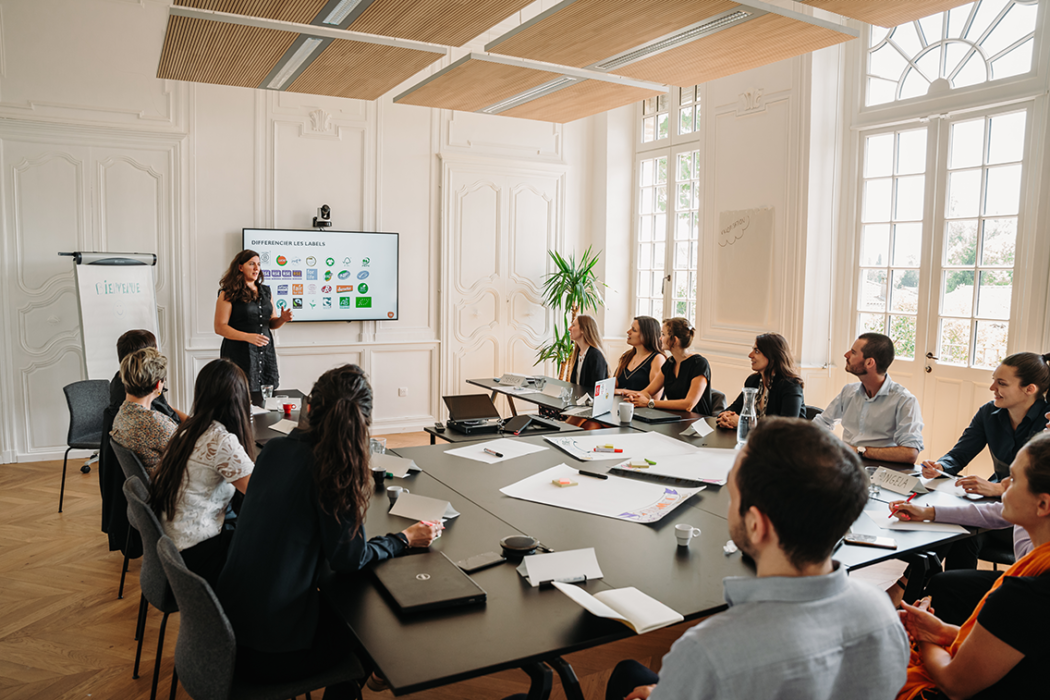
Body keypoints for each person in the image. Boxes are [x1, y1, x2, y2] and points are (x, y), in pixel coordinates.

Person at [600, 418, 908, 700]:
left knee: (627, 677)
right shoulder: (882, 613)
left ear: (756, 525)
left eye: (732, 496)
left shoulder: (709, 652)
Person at [216, 365, 440, 698]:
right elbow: (349, 559)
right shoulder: (334, 471)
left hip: (223, 632)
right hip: (269, 654)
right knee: (370, 625)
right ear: (364, 422)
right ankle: (367, 673)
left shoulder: (274, 451)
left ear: (308, 408)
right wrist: (403, 538)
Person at [896, 432, 1050, 700]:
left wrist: (923, 637)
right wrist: (943, 631)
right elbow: (1017, 641)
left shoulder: (1023, 596)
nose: (1002, 483)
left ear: (1043, 504)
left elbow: (953, 684)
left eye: (1013, 479)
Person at [148, 359, 254, 586]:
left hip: (174, 543)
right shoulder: (222, 440)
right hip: (194, 554)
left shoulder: (189, 428)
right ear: (240, 399)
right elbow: (261, 495)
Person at [919, 352, 1050, 497]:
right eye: (994, 380)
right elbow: (959, 454)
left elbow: (1043, 483)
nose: (992, 388)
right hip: (995, 496)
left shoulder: (1048, 421)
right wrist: (940, 467)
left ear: (1029, 389)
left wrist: (1000, 489)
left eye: (1001, 383)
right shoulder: (988, 412)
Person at [813, 332, 924, 463]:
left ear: (869, 362)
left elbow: (910, 453)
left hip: (883, 470)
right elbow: (822, 424)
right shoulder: (848, 391)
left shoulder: (904, 401)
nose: (846, 355)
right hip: (846, 465)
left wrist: (859, 450)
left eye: (853, 352)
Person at [214, 249, 292, 392]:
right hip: (239, 352)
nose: (257, 268)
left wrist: (282, 319)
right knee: (238, 392)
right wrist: (247, 337)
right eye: (251, 264)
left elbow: (272, 323)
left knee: (266, 394)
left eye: (258, 264)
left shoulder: (266, 291)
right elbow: (220, 327)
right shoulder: (228, 293)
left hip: (265, 352)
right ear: (240, 267)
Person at [716, 332, 805, 429]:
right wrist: (725, 417)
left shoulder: (791, 385)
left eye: (757, 351)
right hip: (756, 441)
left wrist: (744, 423)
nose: (750, 355)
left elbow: (786, 427)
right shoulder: (753, 381)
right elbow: (734, 409)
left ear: (773, 357)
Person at [110, 347, 177, 473]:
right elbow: (191, 455)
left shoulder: (121, 414)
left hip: (151, 487)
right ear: (158, 385)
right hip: (172, 488)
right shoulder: (156, 424)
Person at [627, 318, 712, 415]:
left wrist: (648, 403)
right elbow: (648, 391)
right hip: (675, 420)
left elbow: (689, 405)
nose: (660, 338)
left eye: (663, 334)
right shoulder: (670, 363)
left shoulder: (699, 364)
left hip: (697, 424)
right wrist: (635, 398)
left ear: (674, 340)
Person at [612, 316, 665, 396]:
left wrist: (623, 392)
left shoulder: (657, 359)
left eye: (634, 330)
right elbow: (613, 386)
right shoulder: (626, 356)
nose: (628, 332)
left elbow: (655, 397)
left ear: (647, 335)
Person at [567, 314, 609, 394]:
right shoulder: (578, 353)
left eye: (573, 325)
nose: (569, 328)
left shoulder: (595, 356)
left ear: (583, 329)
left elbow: (596, 391)